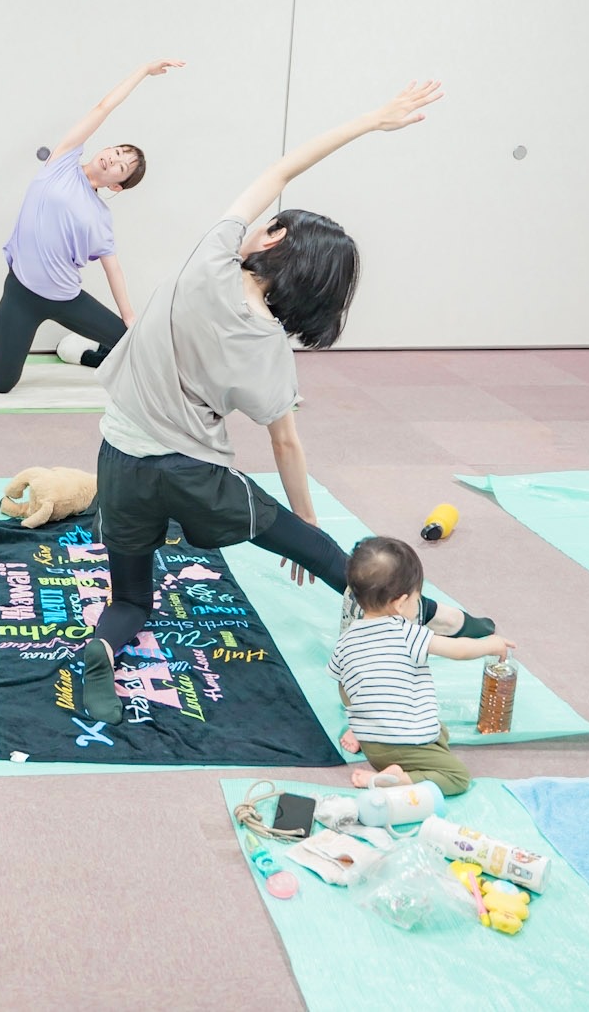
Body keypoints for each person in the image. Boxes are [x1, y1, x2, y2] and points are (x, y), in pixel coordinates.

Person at [72, 79, 495, 725]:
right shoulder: (269, 347)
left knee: (131, 599)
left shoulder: (206, 258)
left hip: (118, 461)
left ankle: (103, 647)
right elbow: (285, 442)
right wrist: (307, 528)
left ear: (268, 240)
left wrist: (371, 120)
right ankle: (442, 618)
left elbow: (283, 166)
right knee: (329, 556)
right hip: (192, 479)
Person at [0, 59, 182, 394]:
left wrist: (129, 317)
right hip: (21, 294)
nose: (113, 159)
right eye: (117, 151)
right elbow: (104, 107)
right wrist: (143, 72)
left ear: (117, 186)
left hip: (64, 297)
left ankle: (87, 353)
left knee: (133, 345)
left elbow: (113, 268)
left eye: (120, 167)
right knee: (1, 382)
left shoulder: (100, 216)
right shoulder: (62, 162)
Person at [328, 537, 513, 793]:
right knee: (458, 777)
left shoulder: (345, 641)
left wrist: (361, 724)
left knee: (441, 732)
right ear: (400, 603)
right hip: (406, 742)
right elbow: (458, 650)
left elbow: (344, 689)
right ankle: (400, 778)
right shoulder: (407, 632)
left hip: (373, 745)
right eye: (417, 598)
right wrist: (490, 645)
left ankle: (383, 758)